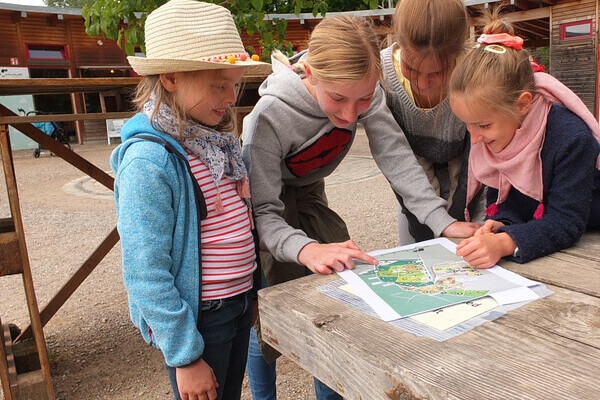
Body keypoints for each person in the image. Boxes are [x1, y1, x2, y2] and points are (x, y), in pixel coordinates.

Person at [242, 14, 480, 400]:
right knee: (269, 310)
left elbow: (395, 154)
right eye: (338, 100)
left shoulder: (362, 89)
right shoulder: (268, 117)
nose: (352, 115)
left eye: (364, 100)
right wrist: (305, 247)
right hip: (264, 201)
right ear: (311, 73)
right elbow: (264, 212)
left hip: (308, 189)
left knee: (336, 291)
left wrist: (442, 222)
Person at [110, 1, 270, 399]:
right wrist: (184, 356)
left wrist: (250, 289)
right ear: (170, 78)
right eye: (219, 84)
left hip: (235, 303)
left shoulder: (217, 142)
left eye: (234, 83)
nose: (230, 96)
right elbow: (145, 271)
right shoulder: (149, 161)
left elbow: (237, 222)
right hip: (200, 319)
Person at [448, 15, 600, 268]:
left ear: (522, 104)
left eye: (483, 125)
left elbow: (566, 221)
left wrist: (506, 242)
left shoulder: (572, 139)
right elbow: (507, 203)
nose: (474, 137)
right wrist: (503, 223)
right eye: (467, 124)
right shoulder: (500, 129)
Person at [381, 0, 485, 244]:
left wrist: (462, 218)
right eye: (410, 68)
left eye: (437, 72)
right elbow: (397, 158)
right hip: (413, 187)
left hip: (471, 180)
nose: (422, 83)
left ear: (457, 56)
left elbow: (479, 160)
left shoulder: (475, 73)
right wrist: (432, 223)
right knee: (420, 245)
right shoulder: (383, 76)